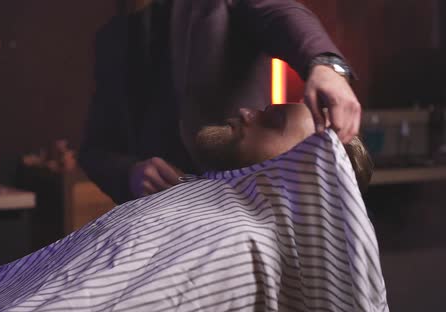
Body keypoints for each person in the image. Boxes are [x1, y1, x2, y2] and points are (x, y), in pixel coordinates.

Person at [0, 103, 391, 312]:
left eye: (273, 118)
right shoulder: (205, 202)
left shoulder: (234, 242)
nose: (249, 109)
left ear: (302, 170)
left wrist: (328, 63)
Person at [79, 0, 362, 204]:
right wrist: (130, 173)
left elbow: (281, 12)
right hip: (159, 225)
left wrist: (326, 64)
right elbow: (94, 150)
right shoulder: (111, 40)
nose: (246, 113)